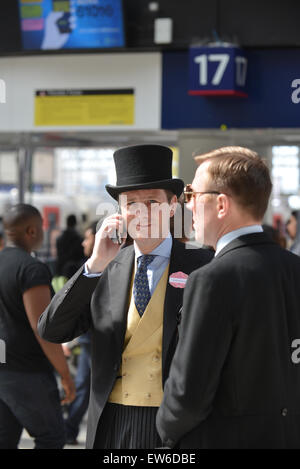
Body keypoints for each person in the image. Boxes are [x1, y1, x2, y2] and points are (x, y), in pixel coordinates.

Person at [38, 144, 213, 449]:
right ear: (119, 210)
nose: (142, 212)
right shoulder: (106, 268)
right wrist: (93, 266)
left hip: (174, 424)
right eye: (131, 202)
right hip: (111, 422)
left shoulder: (202, 265)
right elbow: (52, 330)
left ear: (172, 206)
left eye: (152, 201)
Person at [156, 146, 300, 449]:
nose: (188, 205)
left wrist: (165, 435)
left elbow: (188, 395)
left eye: (193, 193)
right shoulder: (293, 267)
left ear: (221, 204)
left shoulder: (212, 280)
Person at [0, 204, 75, 449]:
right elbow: (41, 328)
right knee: (51, 438)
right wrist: (65, 374)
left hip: (4, 368)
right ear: (31, 231)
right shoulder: (31, 269)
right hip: (28, 372)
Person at [64, 220, 98, 445]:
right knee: (85, 384)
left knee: (85, 385)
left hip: (92, 338)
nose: (84, 242)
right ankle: (70, 427)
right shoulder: (90, 266)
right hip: (88, 339)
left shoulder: (96, 268)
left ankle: (69, 427)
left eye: (88, 237)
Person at [55, 213, 85, 278]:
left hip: (61, 270)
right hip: (75, 271)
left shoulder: (60, 238)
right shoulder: (79, 239)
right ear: (75, 223)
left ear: (67, 222)